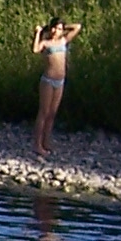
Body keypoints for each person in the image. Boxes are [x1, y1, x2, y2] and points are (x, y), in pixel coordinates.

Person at [32, 18, 80, 158]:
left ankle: (47, 141)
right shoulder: (46, 43)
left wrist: (64, 27)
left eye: (59, 29)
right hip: (48, 80)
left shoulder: (63, 40)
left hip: (60, 81)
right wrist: (39, 32)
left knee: (52, 113)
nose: (56, 31)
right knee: (44, 112)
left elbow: (77, 27)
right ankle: (37, 144)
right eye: (54, 28)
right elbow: (35, 49)